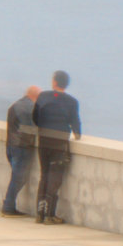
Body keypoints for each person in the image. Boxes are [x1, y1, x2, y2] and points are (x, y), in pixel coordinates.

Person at [32, 70, 82, 224]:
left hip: (44, 141)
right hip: (59, 142)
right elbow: (75, 122)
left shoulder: (43, 96)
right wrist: (77, 134)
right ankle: (49, 215)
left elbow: (35, 116)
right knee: (54, 178)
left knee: (44, 175)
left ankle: (40, 213)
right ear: (65, 84)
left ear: (54, 82)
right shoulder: (72, 102)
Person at [1, 83, 41, 216]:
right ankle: (8, 206)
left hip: (11, 145)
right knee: (18, 177)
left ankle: (9, 205)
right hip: (22, 147)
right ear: (36, 96)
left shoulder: (15, 105)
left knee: (16, 177)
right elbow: (30, 128)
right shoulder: (29, 108)